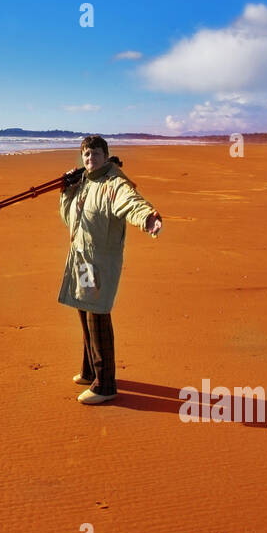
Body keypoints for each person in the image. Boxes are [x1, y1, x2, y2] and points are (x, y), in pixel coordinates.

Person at [58, 135, 162, 404]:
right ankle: (91, 369)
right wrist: (66, 192)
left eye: (95, 154)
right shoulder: (84, 183)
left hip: (100, 262)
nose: (89, 159)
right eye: (86, 155)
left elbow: (131, 202)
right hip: (81, 257)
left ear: (106, 155)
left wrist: (148, 218)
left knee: (98, 315)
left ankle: (105, 385)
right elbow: (70, 219)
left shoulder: (114, 184)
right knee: (83, 307)